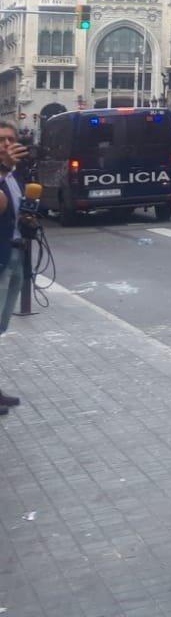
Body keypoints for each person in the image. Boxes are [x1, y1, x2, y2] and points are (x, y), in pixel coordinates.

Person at [0, 120, 30, 415]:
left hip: (16, 254)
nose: (7, 145)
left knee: (1, 325)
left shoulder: (13, 175)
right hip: (0, 258)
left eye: (11, 139)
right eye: (1, 140)